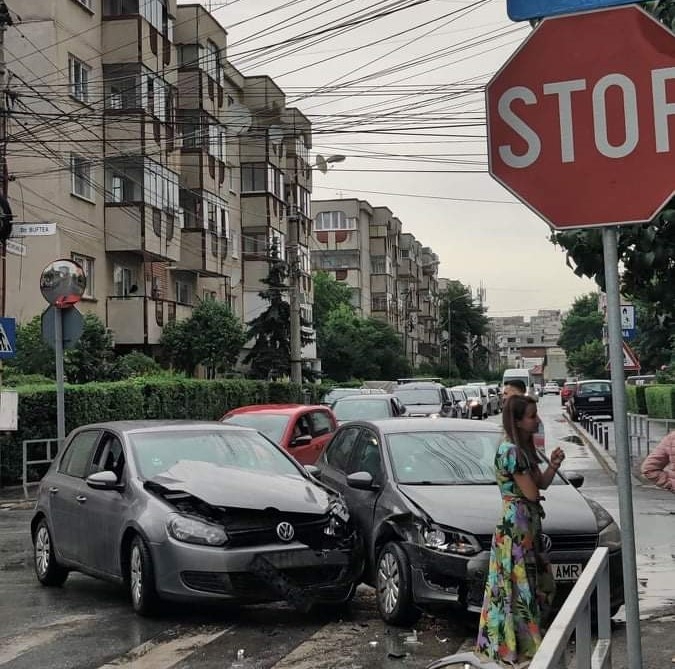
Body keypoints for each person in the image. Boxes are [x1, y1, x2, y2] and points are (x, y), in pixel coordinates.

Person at [476, 394, 566, 666]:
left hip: (524, 523)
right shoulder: (511, 451)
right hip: (516, 526)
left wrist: (552, 465)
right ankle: (517, 646)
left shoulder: (523, 449)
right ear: (516, 421)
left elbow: (542, 484)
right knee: (518, 585)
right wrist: (534, 491)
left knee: (527, 583)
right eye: (531, 416)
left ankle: (521, 643)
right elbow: (531, 491)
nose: (537, 420)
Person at [503, 378, 546, 452]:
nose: (503, 397)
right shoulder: (510, 415)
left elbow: (539, 451)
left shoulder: (533, 422)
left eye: (506, 393)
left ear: (516, 395)